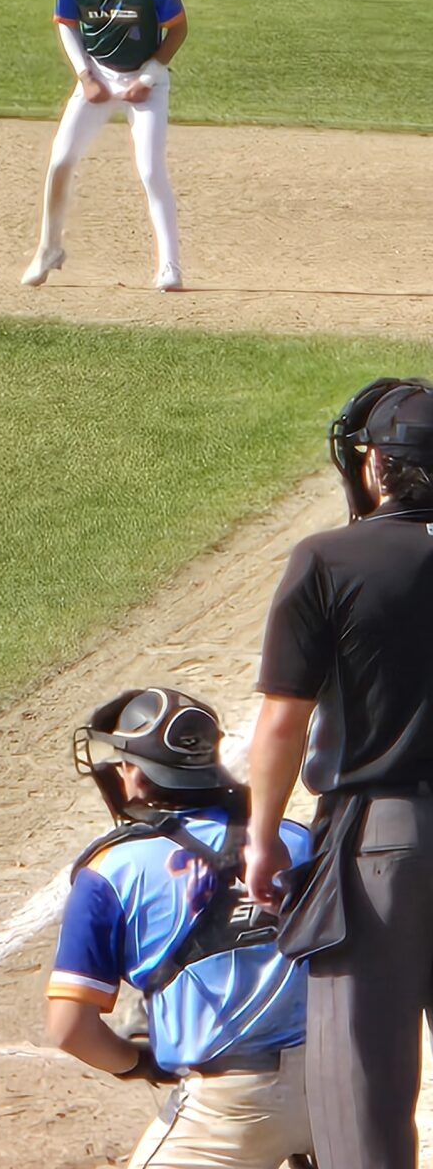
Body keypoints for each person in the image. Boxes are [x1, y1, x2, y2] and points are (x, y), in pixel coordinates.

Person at [247, 378, 433, 1169]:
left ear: (379, 469)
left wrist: (262, 839)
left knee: (361, 1091)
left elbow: (284, 720)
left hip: (381, 845)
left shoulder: (330, 558)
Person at [47, 687, 312, 1167]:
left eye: (125, 762)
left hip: (227, 1113)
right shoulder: (295, 839)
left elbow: (70, 1029)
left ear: (141, 777)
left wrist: (140, 1065)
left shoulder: (111, 871)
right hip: (339, 1084)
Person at [22, 0, 188, 293]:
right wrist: (85, 76)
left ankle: (169, 265)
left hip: (144, 80)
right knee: (61, 160)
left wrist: (148, 77)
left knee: (150, 170)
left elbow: (177, 28)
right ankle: (49, 248)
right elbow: (66, 24)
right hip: (97, 75)